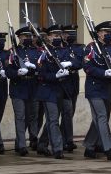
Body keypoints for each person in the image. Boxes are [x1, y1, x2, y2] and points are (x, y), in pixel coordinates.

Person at [82, 20, 111, 160]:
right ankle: (108, 148)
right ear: (99, 33)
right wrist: (103, 73)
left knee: (100, 118)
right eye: (106, 32)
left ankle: (89, 146)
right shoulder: (91, 48)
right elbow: (87, 67)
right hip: (94, 88)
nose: (109, 35)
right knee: (101, 116)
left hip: (108, 88)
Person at [5, 26, 41, 156]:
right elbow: (8, 71)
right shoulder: (13, 52)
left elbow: (41, 66)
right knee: (20, 117)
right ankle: (21, 145)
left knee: (32, 116)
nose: (28, 39)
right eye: (25, 37)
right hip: (18, 88)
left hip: (32, 87)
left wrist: (35, 68)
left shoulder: (36, 51)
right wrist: (17, 72)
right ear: (19, 38)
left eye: (29, 36)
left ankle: (32, 139)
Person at [35, 25, 68, 158]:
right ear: (48, 37)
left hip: (61, 90)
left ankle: (42, 144)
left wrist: (69, 66)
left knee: (52, 120)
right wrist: (55, 76)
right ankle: (58, 149)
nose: (57, 37)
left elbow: (74, 62)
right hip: (47, 90)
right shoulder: (42, 52)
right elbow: (40, 74)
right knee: (53, 119)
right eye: (54, 35)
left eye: (58, 35)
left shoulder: (63, 51)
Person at [60, 24, 84, 152]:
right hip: (63, 81)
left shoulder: (79, 48)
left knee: (70, 112)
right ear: (63, 35)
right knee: (67, 112)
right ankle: (67, 140)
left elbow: (81, 62)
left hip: (74, 81)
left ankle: (63, 138)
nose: (70, 36)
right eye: (67, 34)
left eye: (72, 33)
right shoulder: (60, 47)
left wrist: (71, 63)